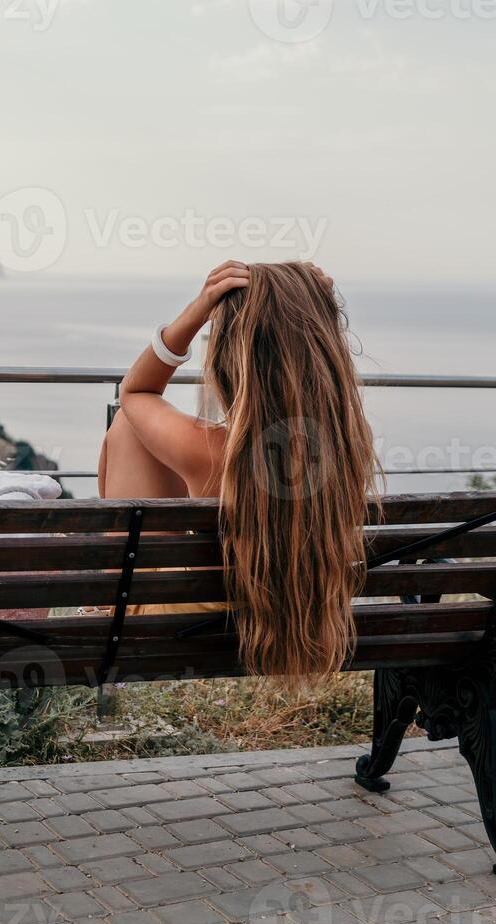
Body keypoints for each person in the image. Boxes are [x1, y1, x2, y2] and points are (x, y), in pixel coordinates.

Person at [98, 261, 379, 680]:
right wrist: (320, 308)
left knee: (128, 425)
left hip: (181, 623)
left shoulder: (210, 451)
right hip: (284, 618)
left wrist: (197, 310)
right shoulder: (347, 446)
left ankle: (112, 596)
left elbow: (136, 391)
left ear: (233, 361)